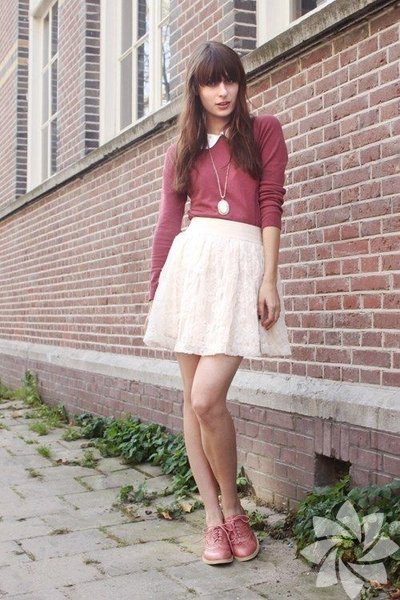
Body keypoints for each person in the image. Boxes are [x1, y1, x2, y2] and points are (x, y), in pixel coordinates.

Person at [143, 41, 291, 565]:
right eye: (211, 82)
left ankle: (234, 508)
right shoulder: (181, 149)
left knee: (207, 398)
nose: (223, 91)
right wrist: (158, 288)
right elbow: (168, 220)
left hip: (242, 266)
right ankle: (213, 519)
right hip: (191, 270)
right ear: (197, 89)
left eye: (230, 79)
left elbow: (270, 204)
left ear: (240, 83)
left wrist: (270, 279)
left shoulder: (264, 130)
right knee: (191, 400)